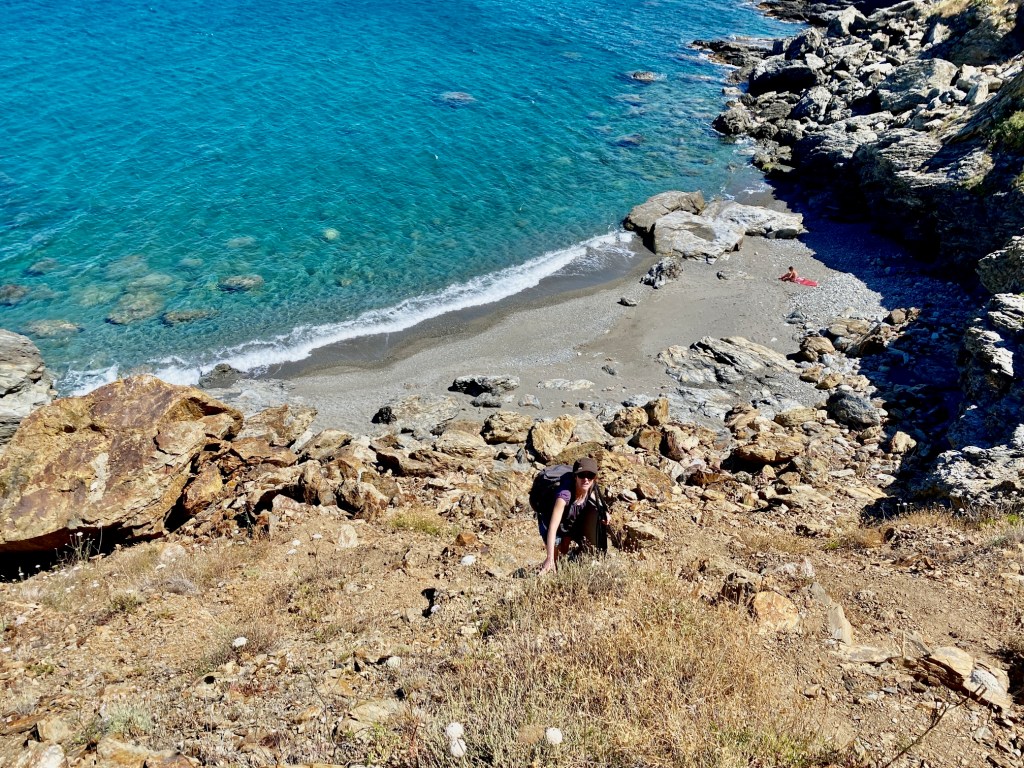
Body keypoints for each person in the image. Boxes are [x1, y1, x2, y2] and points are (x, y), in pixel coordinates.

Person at [538, 457, 606, 575]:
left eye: (590, 476)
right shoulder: (564, 495)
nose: (586, 479)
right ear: (575, 477)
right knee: (554, 557)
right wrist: (549, 558)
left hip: (569, 519)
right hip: (549, 520)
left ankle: (564, 560)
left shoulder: (590, 487)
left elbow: (594, 497)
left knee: (564, 550)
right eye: (581, 475)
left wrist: (604, 512)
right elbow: (552, 528)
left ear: (594, 478)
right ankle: (549, 568)